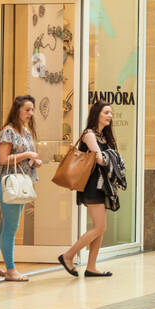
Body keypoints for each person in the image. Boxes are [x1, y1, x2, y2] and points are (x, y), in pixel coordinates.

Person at [58, 101, 120, 278]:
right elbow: (100, 160)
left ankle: (92, 266)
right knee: (100, 227)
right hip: (92, 185)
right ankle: (68, 256)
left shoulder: (104, 136)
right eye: (106, 112)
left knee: (100, 227)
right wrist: (111, 157)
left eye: (111, 113)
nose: (110, 116)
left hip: (103, 185)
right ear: (97, 114)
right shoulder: (89, 134)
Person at [0, 94, 42, 283]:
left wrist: (33, 161)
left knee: (4, 225)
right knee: (11, 226)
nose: (30, 113)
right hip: (8, 184)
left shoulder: (24, 132)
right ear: (17, 109)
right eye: (27, 109)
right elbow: (3, 159)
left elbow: (22, 158)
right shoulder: (8, 132)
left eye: (32, 110)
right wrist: (26, 154)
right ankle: (10, 269)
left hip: (20, 182)